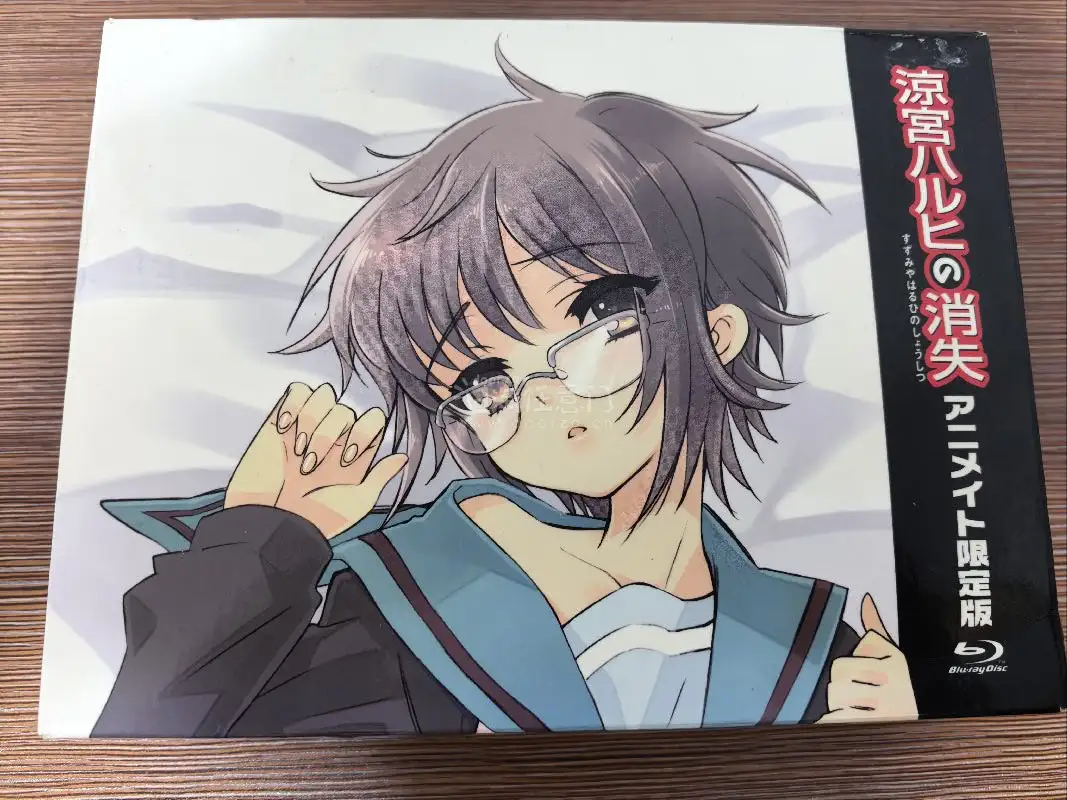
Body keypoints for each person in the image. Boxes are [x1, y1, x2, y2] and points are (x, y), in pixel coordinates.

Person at [92, 45, 917, 736]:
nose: (547, 399)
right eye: (482, 380)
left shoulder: (812, 640)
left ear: (717, 330)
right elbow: (143, 742)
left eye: (595, 315)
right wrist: (262, 541)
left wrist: (876, 740)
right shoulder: (402, 599)